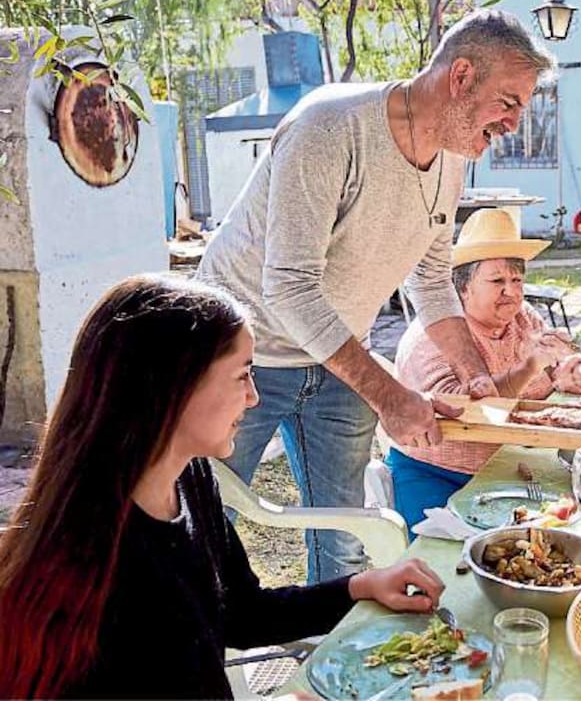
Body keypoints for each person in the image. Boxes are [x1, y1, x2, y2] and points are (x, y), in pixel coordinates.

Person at [197, 9, 556, 582]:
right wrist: (392, 395)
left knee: (345, 537)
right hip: (241, 358)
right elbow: (287, 284)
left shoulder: (454, 161)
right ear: (460, 76)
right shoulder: (330, 128)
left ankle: (325, 664)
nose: (514, 123)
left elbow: (433, 278)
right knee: (204, 529)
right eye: (508, 101)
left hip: (338, 358)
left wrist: (474, 374)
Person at [0, 275, 448, 699]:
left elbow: (242, 614)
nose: (253, 397)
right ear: (173, 387)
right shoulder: (97, 560)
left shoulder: (190, 479)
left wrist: (362, 585)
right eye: (242, 374)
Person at [383, 208, 581, 527]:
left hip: (502, 466)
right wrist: (529, 367)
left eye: (517, 279)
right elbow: (466, 410)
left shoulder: (523, 317)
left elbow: (557, 366)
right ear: (463, 287)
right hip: (432, 472)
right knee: (441, 559)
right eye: (497, 281)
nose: (511, 291)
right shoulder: (433, 335)